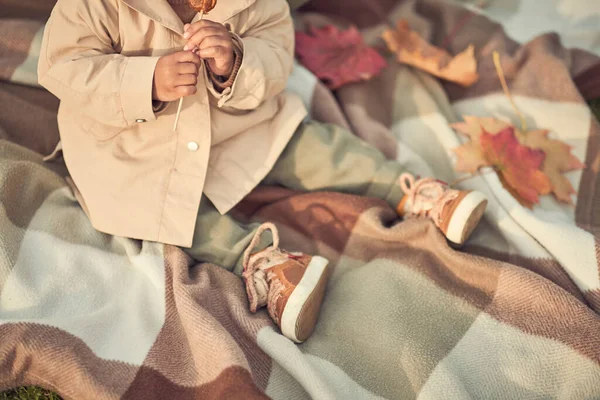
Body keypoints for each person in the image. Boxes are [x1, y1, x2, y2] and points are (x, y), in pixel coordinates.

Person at [38, 0, 487, 343]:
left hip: (237, 127)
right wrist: (145, 80)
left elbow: (275, 57)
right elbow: (62, 66)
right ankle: (261, 262)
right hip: (133, 145)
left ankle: (413, 190)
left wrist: (235, 62)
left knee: (305, 142)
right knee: (155, 210)